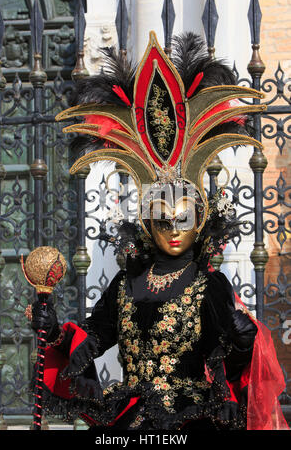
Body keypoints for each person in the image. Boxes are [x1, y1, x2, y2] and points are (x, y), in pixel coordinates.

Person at [28, 32, 289, 431]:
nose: (171, 228)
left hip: (194, 420)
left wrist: (243, 339)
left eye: (181, 218)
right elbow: (93, 339)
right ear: (147, 222)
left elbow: (236, 366)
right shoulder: (126, 282)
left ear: (200, 220)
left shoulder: (210, 285)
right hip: (131, 420)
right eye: (161, 218)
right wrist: (54, 331)